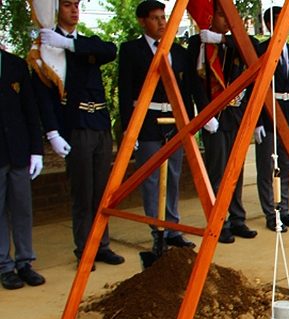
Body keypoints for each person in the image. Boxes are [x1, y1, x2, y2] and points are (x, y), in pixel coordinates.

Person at [32, 0, 125, 266]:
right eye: (67, 5)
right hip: (77, 125)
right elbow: (44, 96)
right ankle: (85, 248)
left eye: (77, 5)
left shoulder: (83, 42)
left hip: (99, 123)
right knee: (83, 192)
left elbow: (109, 51)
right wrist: (53, 132)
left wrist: (69, 45)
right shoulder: (47, 49)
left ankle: (102, 244)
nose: (74, 10)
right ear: (56, 10)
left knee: (101, 191)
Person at [119, 0, 202, 251]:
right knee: (152, 177)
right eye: (155, 18)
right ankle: (157, 228)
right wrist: (127, 128)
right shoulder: (132, 50)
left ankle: (173, 226)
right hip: (147, 121)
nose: (161, 23)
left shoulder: (178, 52)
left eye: (163, 17)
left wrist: (190, 123)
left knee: (174, 174)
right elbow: (124, 90)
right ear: (142, 21)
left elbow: (185, 91)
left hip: (174, 121)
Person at [187, 1, 258, 243]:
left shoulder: (233, 42)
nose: (226, 21)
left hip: (235, 114)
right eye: (220, 15)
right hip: (214, 117)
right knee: (217, 172)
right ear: (209, 16)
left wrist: (223, 41)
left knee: (235, 170)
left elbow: (254, 49)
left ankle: (237, 218)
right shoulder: (198, 43)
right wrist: (204, 115)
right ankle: (220, 220)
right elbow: (194, 83)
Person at [254, 6, 289, 232]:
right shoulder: (260, 50)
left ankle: (284, 209)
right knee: (267, 167)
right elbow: (255, 89)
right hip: (267, 115)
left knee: (285, 166)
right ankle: (271, 212)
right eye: (276, 21)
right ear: (268, 24)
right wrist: (256, 122)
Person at [0, 49, 45, 290]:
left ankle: (25, 262)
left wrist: (36, 150)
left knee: (22, 209)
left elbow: (30, 110)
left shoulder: (15, 64)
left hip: (18, 150)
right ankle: (4, 266)